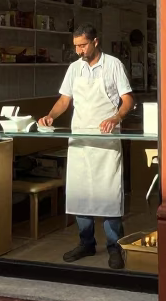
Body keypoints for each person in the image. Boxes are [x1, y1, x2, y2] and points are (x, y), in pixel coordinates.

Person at [38, 24, 134, 269]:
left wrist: (115, 118)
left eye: (83, 45)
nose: (79, 50)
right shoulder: (74, 68)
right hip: (80, 139)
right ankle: (86, 243)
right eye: (76, 46)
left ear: (95, 41)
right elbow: (64, 99)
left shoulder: (113, 65)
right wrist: (51, 116)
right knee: (81, 192)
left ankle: (115, 247)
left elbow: (128, 100)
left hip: (105, 141)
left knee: (109, 194)